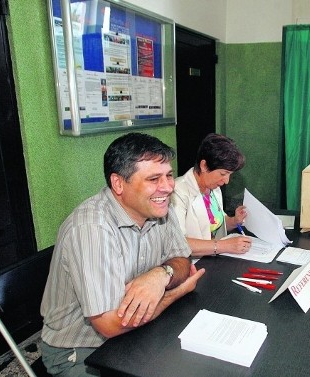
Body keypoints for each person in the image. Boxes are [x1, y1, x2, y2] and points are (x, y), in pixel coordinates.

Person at [40, 132, 205, 376]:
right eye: (154, 178)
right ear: (118, 183)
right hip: (82, 351)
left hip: (135, 334)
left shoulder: (158, 207)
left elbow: (182, 260)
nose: (168, 187)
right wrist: (176, 291)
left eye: (169, 175)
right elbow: (110, 324)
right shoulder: (92, 228)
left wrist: (161, 275)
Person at [171, 133, 252, 257]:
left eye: (230, 174)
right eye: (223, 173)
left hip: (211, 259)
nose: (226, 181)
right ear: (204, 166)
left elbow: (215, 222)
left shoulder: (213, 188)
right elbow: (177, 243)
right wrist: (225, 246)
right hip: (191, 263)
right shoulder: (178, 192)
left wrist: (234, 221)